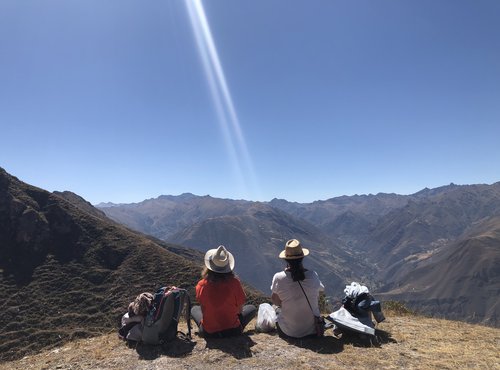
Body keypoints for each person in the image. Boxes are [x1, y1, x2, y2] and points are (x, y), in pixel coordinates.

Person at [191, 245, 257, 337]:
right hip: (233, 331)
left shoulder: (201, 285)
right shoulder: (234, 283)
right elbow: (239, 310)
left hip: (209, 333)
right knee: (252, 308)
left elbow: (203, 309)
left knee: (194, 309)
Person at [271, 239, 325, 338]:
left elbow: (275, 300)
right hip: (313, 330)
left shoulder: (278, 277)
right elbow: (321, 289)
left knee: (275, 309)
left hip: (289, 332)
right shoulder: (313, 275)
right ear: (302, 257)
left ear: (286, 259)